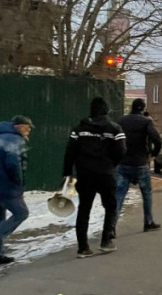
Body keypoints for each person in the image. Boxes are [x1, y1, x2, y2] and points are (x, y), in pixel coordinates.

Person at [63, 97, 126, 258]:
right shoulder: (115, 129)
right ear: (106, 110)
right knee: (111, 207)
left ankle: (83, 248)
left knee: (84, 209)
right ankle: (106, 241)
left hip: (85, 174)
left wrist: (68, 172)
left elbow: (70, 152)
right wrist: (111, 163)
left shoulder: (79, 129)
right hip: (106, 173)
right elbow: (121, 151)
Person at [0, 116, 33, 266]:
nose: (29, 130)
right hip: (6, 186)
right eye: (27, 127)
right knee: (21, 213)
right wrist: (19, 183)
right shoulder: (15, 140)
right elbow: (13, 163)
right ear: (19, 126)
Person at [116, 99, 162, 235]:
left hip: (123, 163)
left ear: (132, 107)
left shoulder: (121, 121)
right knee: (146, 193)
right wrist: (153, 154)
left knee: (119, 195)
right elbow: (157, 140)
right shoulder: (146, 121)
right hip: (140, 163)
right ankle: (148, 222)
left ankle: (111, 226)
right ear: (143, 108)